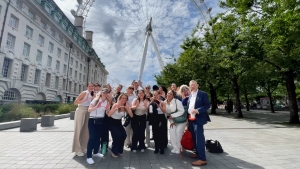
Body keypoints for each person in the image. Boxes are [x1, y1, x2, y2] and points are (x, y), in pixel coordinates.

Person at [187, 80, 211, 166]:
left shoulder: (203, 94)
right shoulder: (190, 95)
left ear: (197, 85)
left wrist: (197, 110)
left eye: (193, 85)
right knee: (194, 138)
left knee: (199, 139)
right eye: (190, 85)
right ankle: (197, 153)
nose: (192, 86)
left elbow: (207, 105)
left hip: (198, 119)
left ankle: (202, 159)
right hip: (191, 120)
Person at [86, 88, 110, 165]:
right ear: (101, 93)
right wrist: (96, 107)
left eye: (106, 93)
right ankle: (89, 157)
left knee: (98, 137)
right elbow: (89, 110)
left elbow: (107, 113)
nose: (105, 94)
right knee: (92, 137)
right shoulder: (96, 100)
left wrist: (107, 109)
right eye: (104, 93)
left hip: (101, 121)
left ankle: (96, 152)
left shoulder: (107, 102)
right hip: (93, 120)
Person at [107, 93, 133, 157]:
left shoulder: (126, 106)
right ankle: (113, 151)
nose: (124, 99)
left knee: (124, 135)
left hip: (118, 122)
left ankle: (120, 150)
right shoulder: (115, 105)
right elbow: (109, 115)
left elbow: (131, 116)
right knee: (118, 135)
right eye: (122, 98)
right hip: (111, 122)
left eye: (125, 98)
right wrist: (115, 109)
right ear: (120, 98)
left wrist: (128, 109)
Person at [72, 83, 94, 156]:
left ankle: (83, 147)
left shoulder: (92, 94)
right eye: (89, 86)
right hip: (81, 110)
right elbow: (75, 102)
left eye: (92, 86)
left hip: (87, 111)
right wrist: (84, 100)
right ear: (87, 87)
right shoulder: (84, 93)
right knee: (79, 130)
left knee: (86, 130)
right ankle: (77, 149)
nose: (91, 87)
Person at [165, 90, 186, 154]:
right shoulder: (164, 102)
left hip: (181, 120)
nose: (169, 95)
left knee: (178, 132)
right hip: (172, 121)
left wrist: (173, 115)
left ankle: (179, 148)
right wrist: (171, 122)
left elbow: (182, 111)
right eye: (168, 93)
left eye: (171, 94)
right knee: (172, 132)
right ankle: (175, 147)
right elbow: (166, 114)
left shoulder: (177, 102)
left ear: (173, 96)